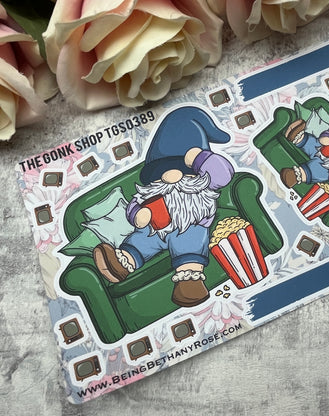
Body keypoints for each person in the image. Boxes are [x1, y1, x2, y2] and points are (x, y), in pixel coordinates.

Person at [93, 106, 234, 308]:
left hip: (190, 225)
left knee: (190, 244)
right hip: (154, 229)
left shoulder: (203, 185)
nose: (171, 175)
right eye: (162, 171)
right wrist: (137, 215)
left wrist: (200, 158)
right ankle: (122, 263)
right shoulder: (152, 191)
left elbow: (224, 174)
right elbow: (135, 204)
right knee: (140, 240)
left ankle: (189, 282)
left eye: (182, 169)